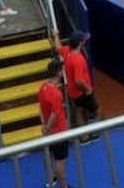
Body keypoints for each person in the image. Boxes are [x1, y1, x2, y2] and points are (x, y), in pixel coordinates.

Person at [60, 31, 100, 140]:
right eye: (83, 40)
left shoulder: (67, 52)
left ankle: (84, 137)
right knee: (96, 110)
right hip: (81, 92)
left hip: (72, 91)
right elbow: (78, 81)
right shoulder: (78, 59)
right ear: (79, 43)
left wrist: (55, 36)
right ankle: (94, 132)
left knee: (79, 110)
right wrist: (87, 89)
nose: (85, 41)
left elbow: (58, 48)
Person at [38, 60, 71, 188]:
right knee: (60, 161)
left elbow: (41, 109)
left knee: (48, 155)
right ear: (58, 73)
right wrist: (48, 128)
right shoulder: (57, 94)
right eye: (62, 70)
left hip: (49, 131)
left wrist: (44, 126)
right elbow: (54, 114)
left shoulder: (42, 88)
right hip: (59, 132)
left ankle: (50, 179)